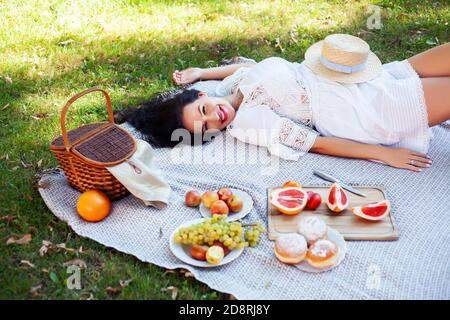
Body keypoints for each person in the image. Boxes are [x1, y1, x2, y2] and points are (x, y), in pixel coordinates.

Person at [118, 34, 450, 172]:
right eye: (206, 128)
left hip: (358, 77)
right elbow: (314, 143)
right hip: (360, 111)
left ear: (204, 95)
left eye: (203, 111)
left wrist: (202, 71)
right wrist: (382, 153)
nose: (214, 118)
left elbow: (247, 68)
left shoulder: (233, 86)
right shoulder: (247, 124)